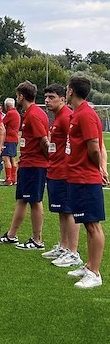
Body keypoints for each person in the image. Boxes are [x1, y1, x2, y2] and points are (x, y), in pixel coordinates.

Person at [0, 81, 49, 249]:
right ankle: (12, 235)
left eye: (17, 95)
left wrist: (48, 161)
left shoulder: (34, 114)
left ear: (21, 96)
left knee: (35, 201)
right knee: (21, 200)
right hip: (27, 163)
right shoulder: (30, 113)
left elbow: (44, 141)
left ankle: (37, 239)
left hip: (35, 164)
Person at [65, 76, 106, 289]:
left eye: (66, 88)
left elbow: (94, 147)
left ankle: (95, 273)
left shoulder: (87, 115)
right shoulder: (78, 113)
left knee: (92, 224)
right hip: (77, 176)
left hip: (86, 177)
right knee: (88, 224)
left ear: (71, 91)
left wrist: (96, 167)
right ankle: (89, 265)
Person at [41, 84, 82, 267]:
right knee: (61, 211)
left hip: (64, 171)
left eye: (52, 97)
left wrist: (67, 168)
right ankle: (64, 246)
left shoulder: (66, 117)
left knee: (69, 210)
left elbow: (72, 146)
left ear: (63, 99)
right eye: (46, 97)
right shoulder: (58, 117)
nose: (47, 101)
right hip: (55, 169)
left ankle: (73, 252)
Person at [2, 97, 21, 185]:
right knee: (13, 158)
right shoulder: (16, 113)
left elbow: (2, 122)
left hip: (9, 139)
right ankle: (14, 178)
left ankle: (8, 179)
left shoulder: (10, 113)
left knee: (6, 158)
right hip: (15, 138)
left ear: (7, 106)